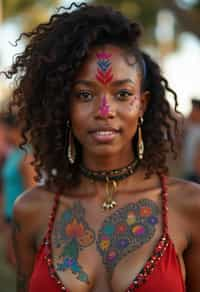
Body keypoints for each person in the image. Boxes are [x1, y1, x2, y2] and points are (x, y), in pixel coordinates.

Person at [2, 3, 200, 292]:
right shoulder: (31, 210)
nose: (105, 110)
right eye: (84, 94)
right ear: (63, 104)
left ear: (142, 104)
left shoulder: (190, 206)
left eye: (122, 94)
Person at [0, 112, 36, 266]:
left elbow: (32, 193)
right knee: (11, 259)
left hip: (19, 219)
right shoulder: (14, 153)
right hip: (9, 216)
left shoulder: (27, 156)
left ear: (14, 130)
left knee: (20, 262)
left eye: (6, 130)